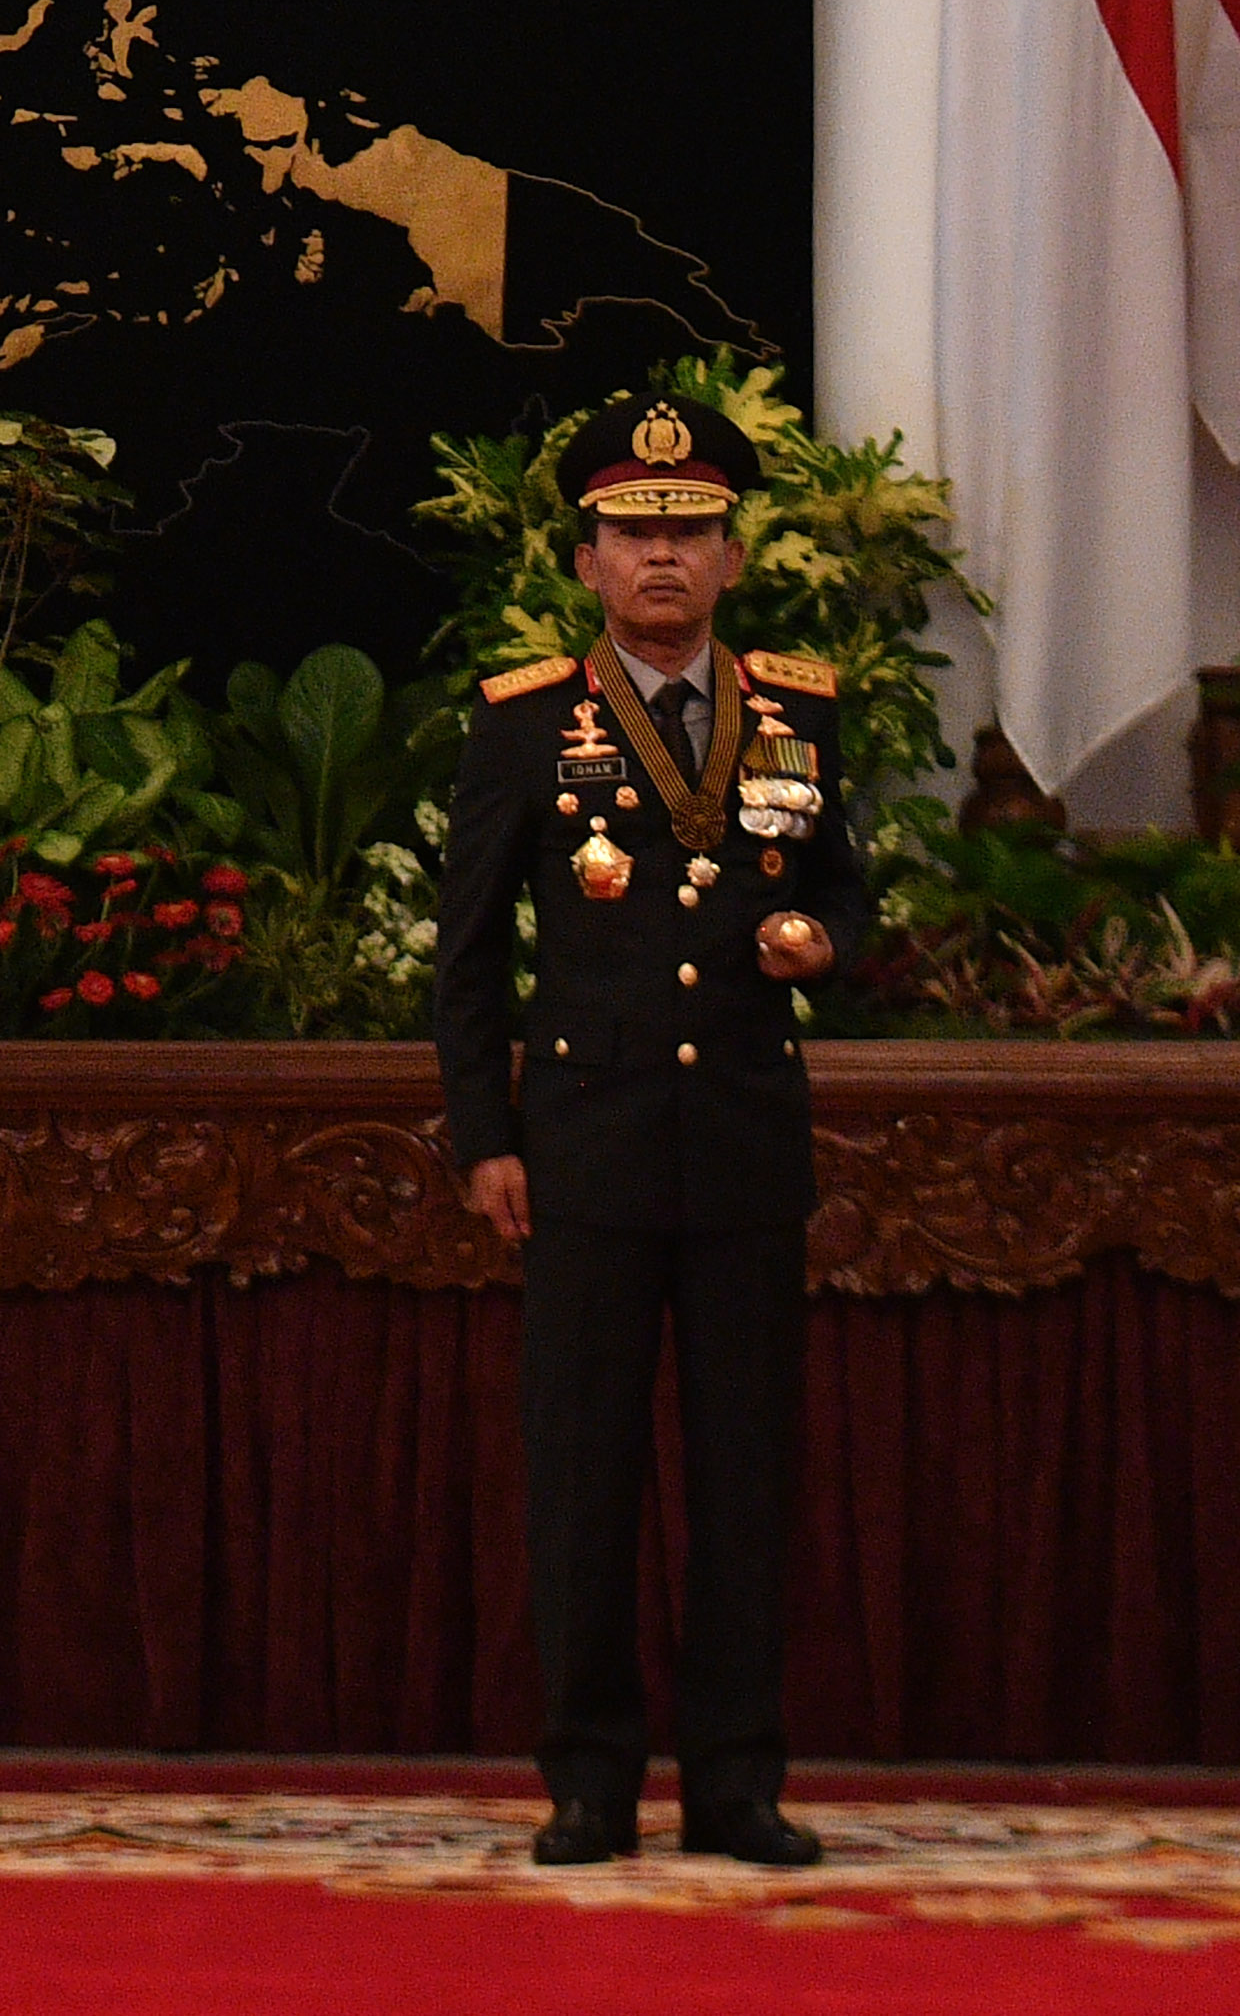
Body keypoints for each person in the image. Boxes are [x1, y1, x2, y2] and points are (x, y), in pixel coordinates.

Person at [434, 391, 868, 1871]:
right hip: (585, 1152)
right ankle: (591, 1780)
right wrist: (485, 1136)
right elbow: (468, 955)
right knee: (583, 1475)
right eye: (635, 533)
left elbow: (851, 892)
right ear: (588, 560)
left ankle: (738, 1783)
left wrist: (822, 935)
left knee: (747, 1477)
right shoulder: (523, 722)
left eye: (690, 533)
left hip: (746, 1147)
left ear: (735, 558)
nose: (662, 559)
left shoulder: (798, 712)